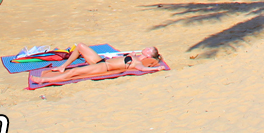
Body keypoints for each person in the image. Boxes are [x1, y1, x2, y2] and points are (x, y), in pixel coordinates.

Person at [31, 44, 164, 85]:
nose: (146, 48)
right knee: (80, 47)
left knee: (74, 73)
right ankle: (63, 66)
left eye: (148, 49)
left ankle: (44, 79)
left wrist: (158, 68)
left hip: (104, 67)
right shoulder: (134, 56)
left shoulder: (137, 62)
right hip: (102, 62)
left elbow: (143, 68)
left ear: (148, 55)